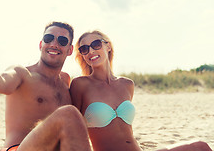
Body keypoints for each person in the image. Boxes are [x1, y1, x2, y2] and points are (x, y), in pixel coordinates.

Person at [0, 21, 92, 151]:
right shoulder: (22, 73)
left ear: (70, 50)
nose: (54, 44)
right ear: (41, 44)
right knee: (68, 113)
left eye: (62, 41)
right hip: (18, 148)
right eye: (48, 38)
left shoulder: (65, 80)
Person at [70, 30, 212, 151]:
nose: (91, 51)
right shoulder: (80, 85)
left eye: (96, 44)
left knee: (202, 147)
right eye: (84, 49)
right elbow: (74, 131)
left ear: (107, 46)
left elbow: (126, 130)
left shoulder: (127, 84)